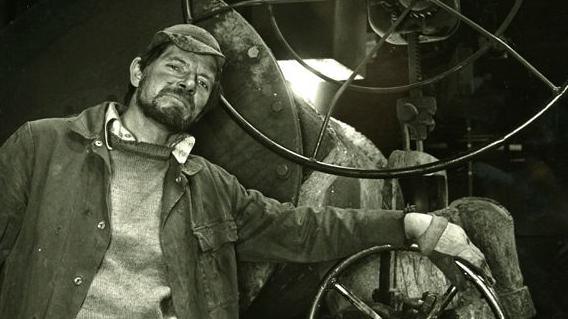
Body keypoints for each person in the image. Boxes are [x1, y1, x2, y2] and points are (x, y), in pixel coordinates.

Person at [0, 24, 489, 319]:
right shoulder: (42, 145)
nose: (187, 84)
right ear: (136, 72)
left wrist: (407, 224)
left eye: (202, 82)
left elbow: (300, 230)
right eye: (174, 67)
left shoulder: (209, 186)